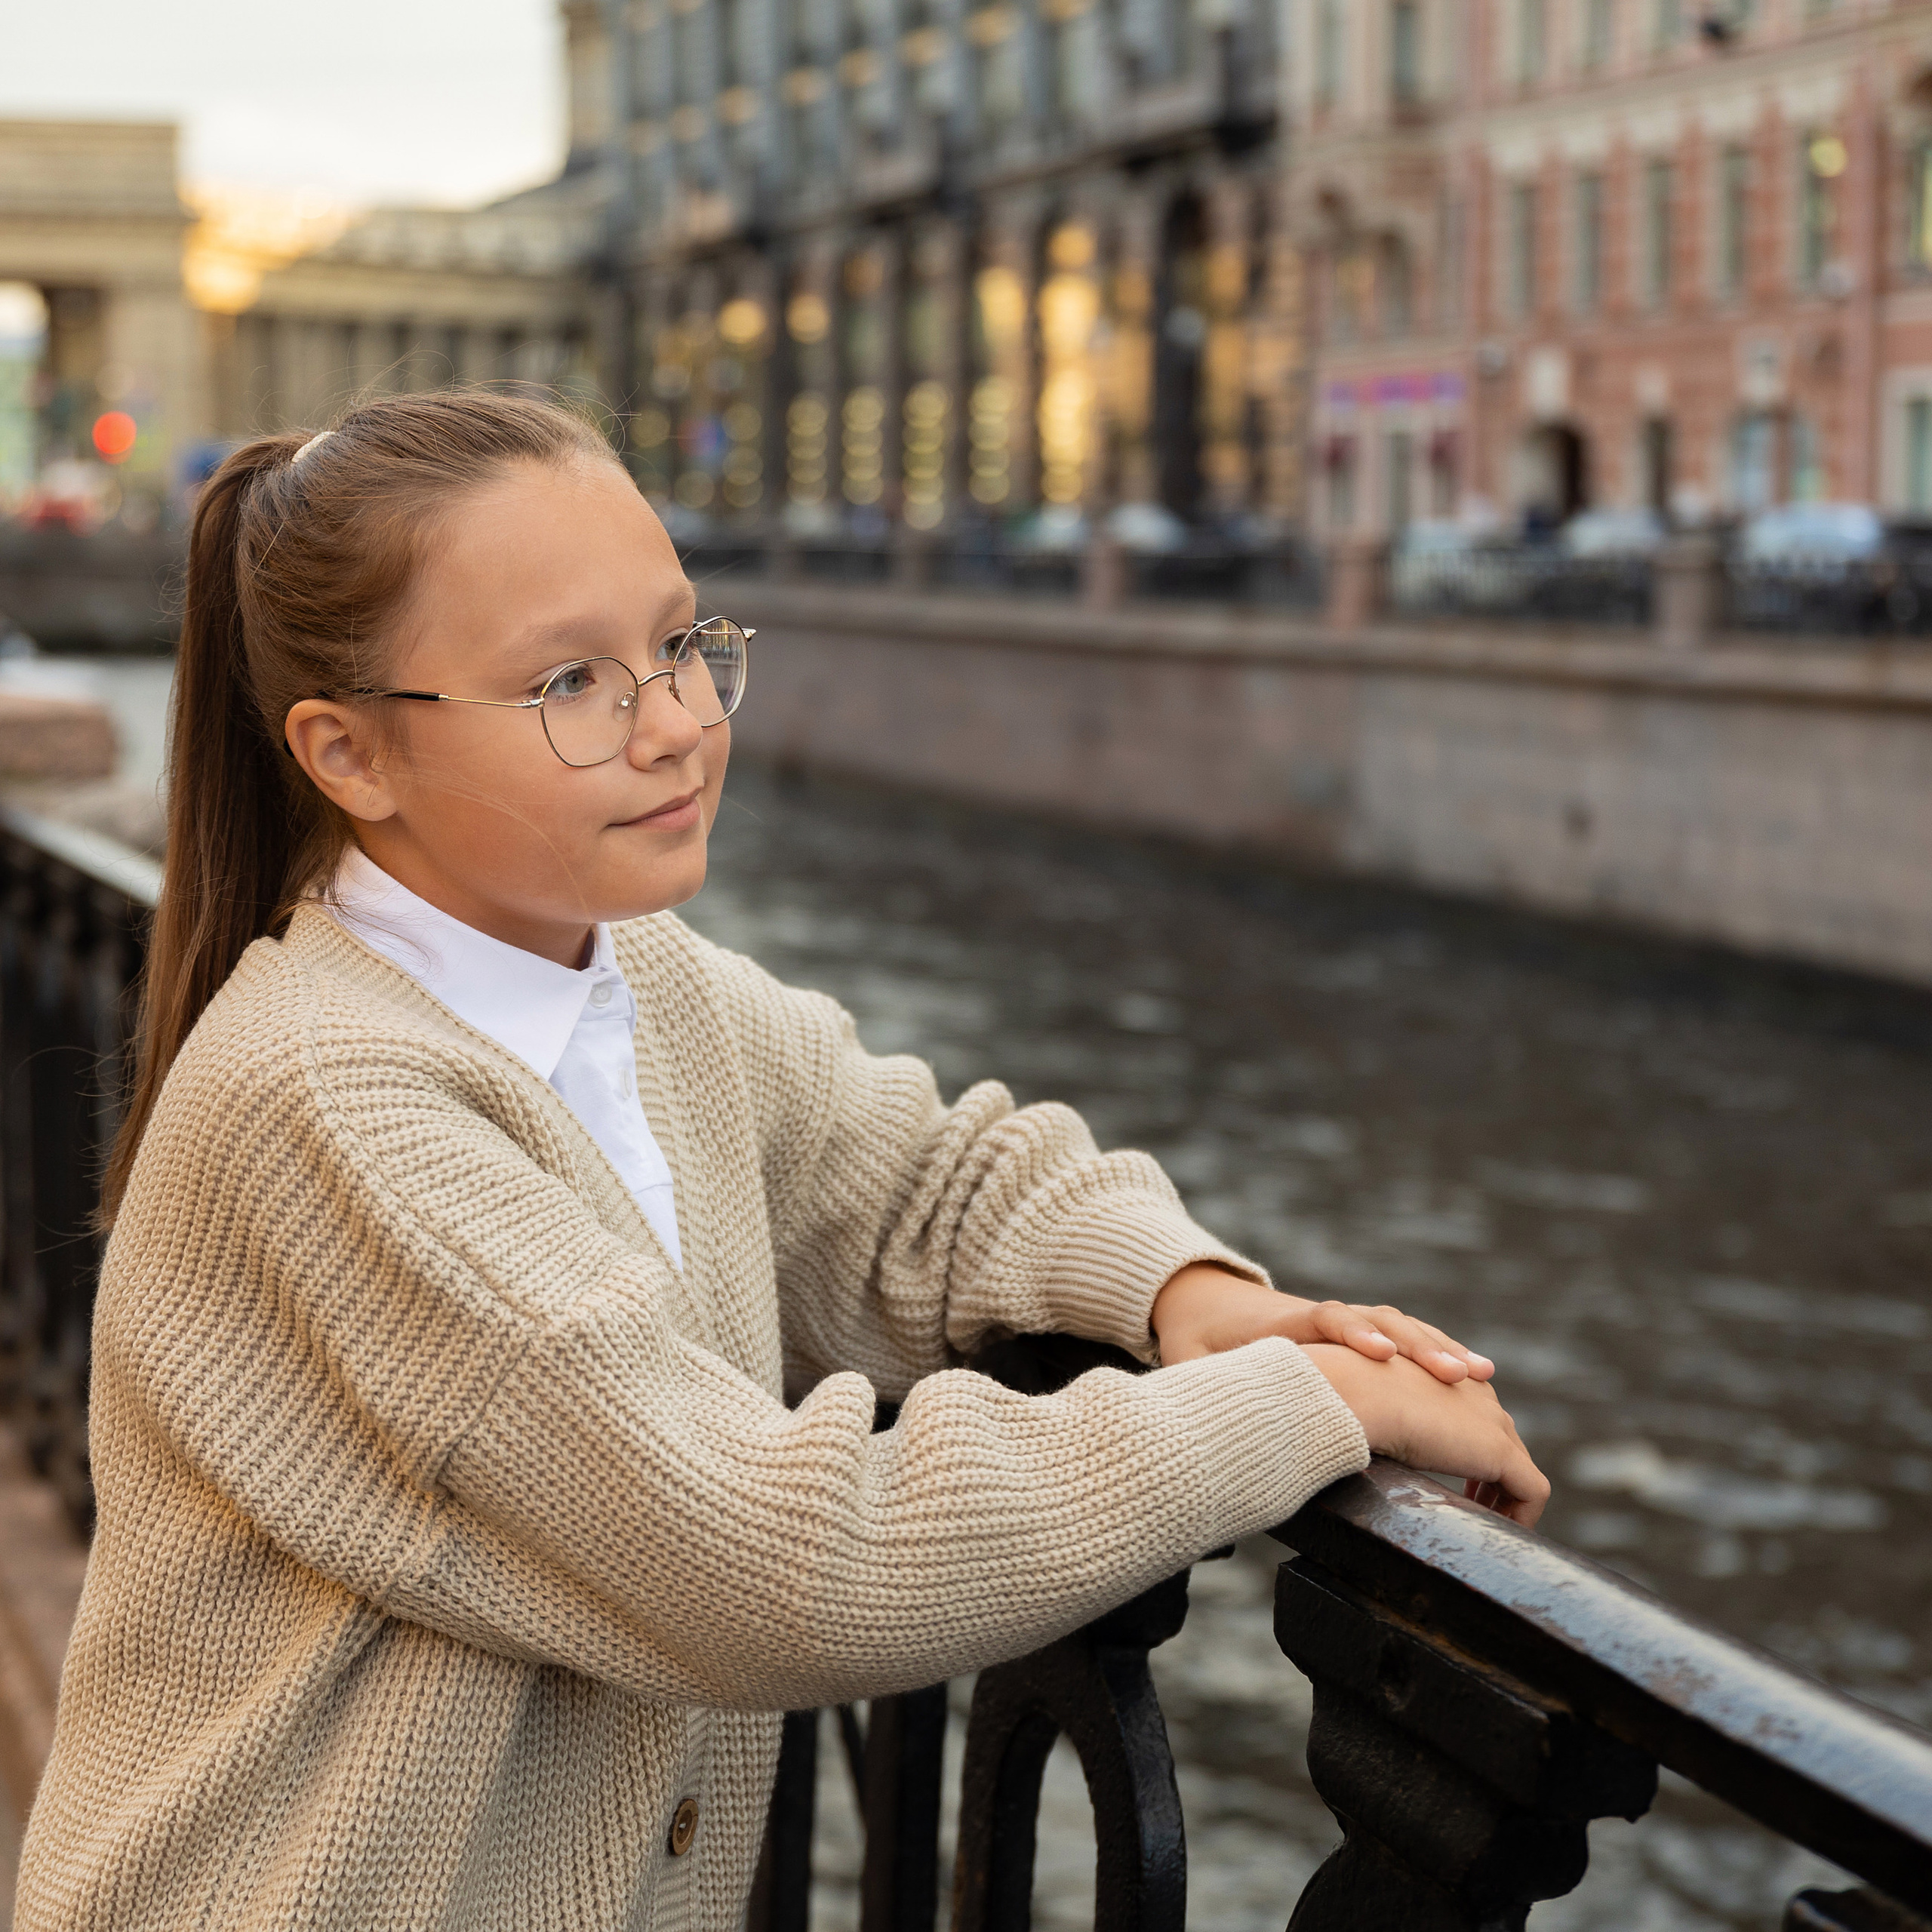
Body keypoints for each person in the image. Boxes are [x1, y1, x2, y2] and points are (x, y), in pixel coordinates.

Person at [17, 389, 1546, 1930]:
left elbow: (919, 1180)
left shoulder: (631, 976)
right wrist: (1304, 1401)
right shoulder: (332, 1105)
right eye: (571, 681)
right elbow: (773, 1559)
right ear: (350, 755)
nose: (677, 720)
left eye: (679, 643)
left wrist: (1183, 1292)